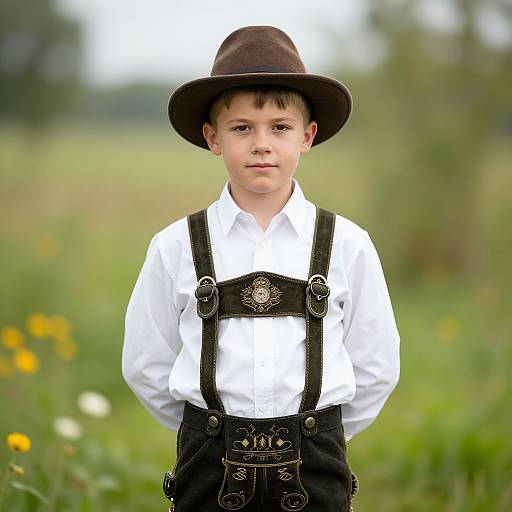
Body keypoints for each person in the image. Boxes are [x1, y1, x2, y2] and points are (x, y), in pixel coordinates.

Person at [122, 25, 400, 512]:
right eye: (242, 128)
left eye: (280, 127)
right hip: (207, 464)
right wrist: (206, 430)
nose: (261, 144)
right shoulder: (176, 247)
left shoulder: (348, 245)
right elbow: (145, 364)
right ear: (213, 138)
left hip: (316, 464)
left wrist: (320, 432)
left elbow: (376, 365)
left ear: (307, 136)